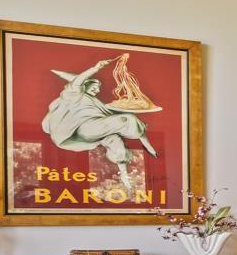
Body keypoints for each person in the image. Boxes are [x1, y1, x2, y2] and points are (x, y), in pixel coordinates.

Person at [40, 56, 158, 190]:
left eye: (98, 88)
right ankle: (147, 145)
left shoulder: (95, 102)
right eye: (95, 87)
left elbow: (105, 112)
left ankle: (125, 176)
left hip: (95, 129)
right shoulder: (74, 94)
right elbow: (77, 82)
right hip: (86, 128)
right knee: (126, 119)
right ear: (85, 85)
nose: (98, 90)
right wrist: (95, 68)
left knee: (116, 140)